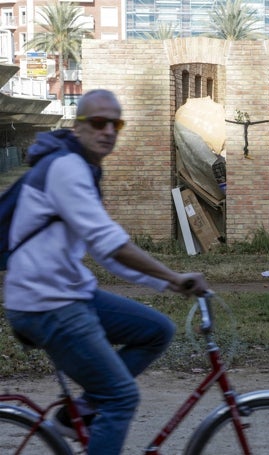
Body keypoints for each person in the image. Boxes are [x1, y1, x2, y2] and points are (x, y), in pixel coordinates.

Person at [3, 89, 210, 455]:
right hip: (47, 304)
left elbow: (106, 254)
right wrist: (174, 278)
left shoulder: (84, 167)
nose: (109, 131)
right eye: (99, 123)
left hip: (70, 294)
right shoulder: (66, 168)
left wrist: (169, 282)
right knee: (120, 397)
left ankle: (80, 410)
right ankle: (95, 403)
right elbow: (113, 245)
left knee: (157, 330)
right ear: (78, 126)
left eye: (116, 123)